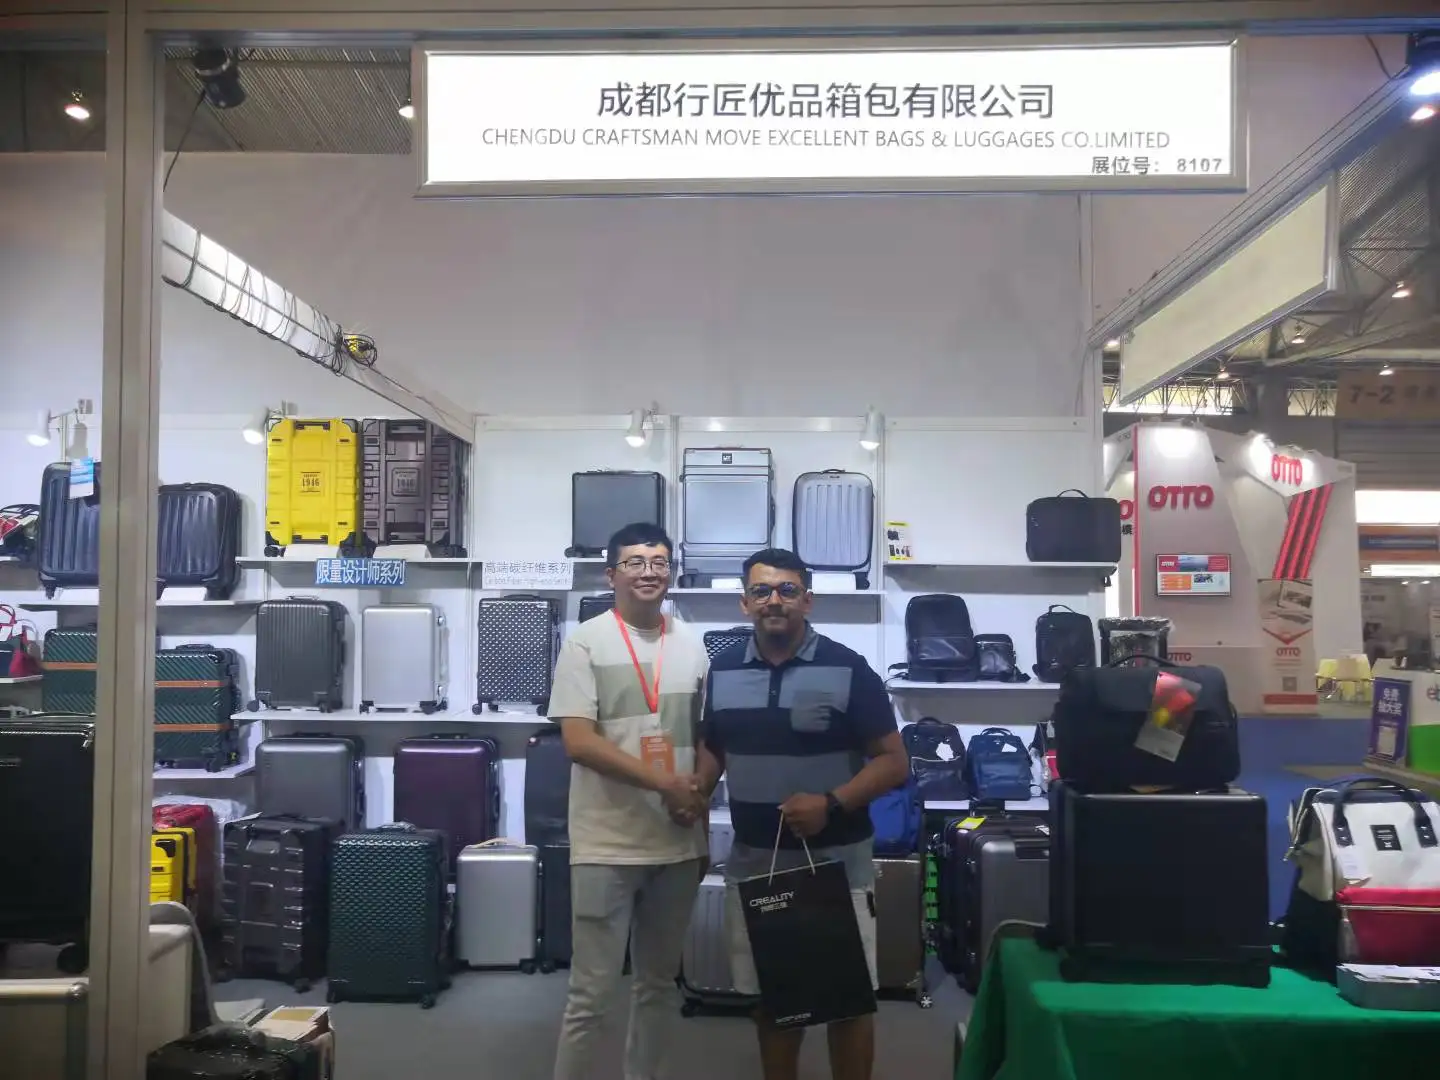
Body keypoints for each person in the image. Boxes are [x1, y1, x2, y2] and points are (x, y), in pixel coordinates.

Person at [695, 547, 909, 1080]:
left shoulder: (849, 668)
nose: (775, 600)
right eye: (762, 590)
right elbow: (715, 747)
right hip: (755, 864)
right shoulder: (722, 670)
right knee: (773, 1000)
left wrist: (831, 802)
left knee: (846, 1002)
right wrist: (695, 792)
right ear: (745, 602)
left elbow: (894, 762)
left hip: (836, 867)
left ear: (807, 601)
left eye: (787, 590)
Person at [549, 522, 710, 1080]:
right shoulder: (585, 642)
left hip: (677, 843)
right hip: (606, 845)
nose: (649, 572)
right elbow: (578, 741)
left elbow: (706, 737)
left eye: (659, 562)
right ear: (610, 574)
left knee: (658, 987)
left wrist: (699, 800)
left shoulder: (692, 644)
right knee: (590, 994)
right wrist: (664, 784)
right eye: (636, 562)